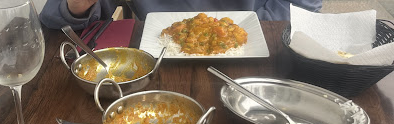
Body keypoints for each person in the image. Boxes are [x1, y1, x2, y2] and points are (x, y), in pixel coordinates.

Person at [40, 0, 322, 30]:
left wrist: (246, 28)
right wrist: (77, 6)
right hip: (156, 64)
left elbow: (303, 6)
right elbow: (54, 17)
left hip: (259, 54)